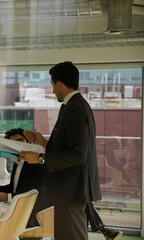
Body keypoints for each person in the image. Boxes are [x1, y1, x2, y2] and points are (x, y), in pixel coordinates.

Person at [20, 61, 102, 240]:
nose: (52, 90)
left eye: (51, 84)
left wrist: (40, 159)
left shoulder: (74, 108)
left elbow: (78, 154)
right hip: (68, 190)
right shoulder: (72, 106)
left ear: (59, 84)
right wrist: (43, 141)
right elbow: (69, 147)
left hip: (71, 190)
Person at [0, 128, 51, 228]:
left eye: (19, 141)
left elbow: (39, 195)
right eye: (12, 143)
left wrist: (8, 197)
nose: (16, 146)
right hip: (19, 211)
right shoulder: (18, 162)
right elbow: (14, 187)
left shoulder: (37, 164)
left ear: (28, 141)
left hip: (32, 216)